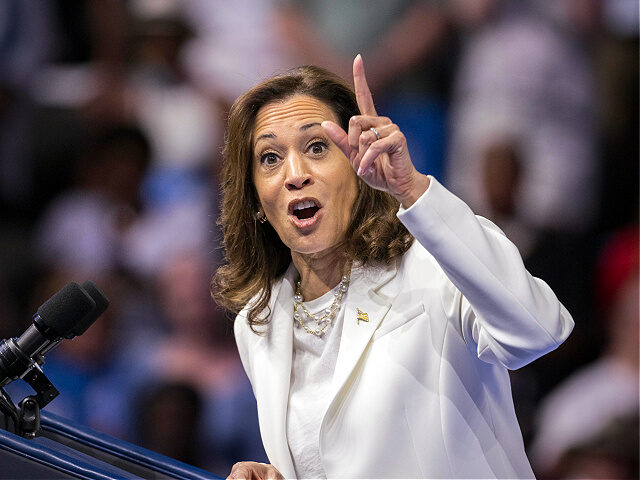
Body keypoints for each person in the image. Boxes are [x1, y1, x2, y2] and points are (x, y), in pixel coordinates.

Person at [212, 55, 574, 479]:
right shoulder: (258, 323)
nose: (295, 174)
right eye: (270, 158)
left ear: (356, 164)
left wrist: (412, 189)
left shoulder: (435, 263)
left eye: (316, 147)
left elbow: (538, 331)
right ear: (256, 199)